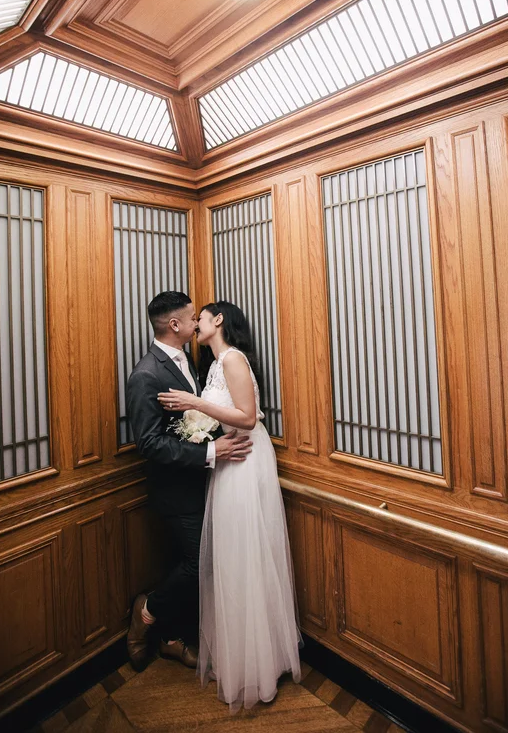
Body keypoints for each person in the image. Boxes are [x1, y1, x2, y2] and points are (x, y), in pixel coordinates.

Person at [157, 300, 301, 711]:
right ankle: (240, 652)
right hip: (226, 461)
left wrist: (196, 404)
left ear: (217, 320)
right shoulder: (215, 365)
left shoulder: (234, 358)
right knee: (230, 557)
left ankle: (259, 661)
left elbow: (248, 417)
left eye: (199, 318)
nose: (195, 324)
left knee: (246, 555)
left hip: (244, 461)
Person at [125, 291, 252, 671]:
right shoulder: (146, 374)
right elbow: (148, 443)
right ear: (175, 325)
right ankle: (146, 612)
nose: (198, 322)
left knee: (197, 560)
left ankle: (173, 638)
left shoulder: (194, 363)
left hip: (206, 483)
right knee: (197, 562)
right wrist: (210, 453)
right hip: (175, 490)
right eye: (193, 317)